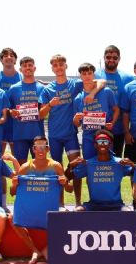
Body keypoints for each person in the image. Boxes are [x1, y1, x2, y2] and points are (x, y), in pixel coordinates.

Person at [39, 54, 105, 209]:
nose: (59, 67)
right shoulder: (48, 89)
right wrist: (50, 105)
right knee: (57, 170)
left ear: (66, 66)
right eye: (55, 65)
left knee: (76, 168)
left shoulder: (75, 85)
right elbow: (41, 113)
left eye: (61, 64)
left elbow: (102, 81)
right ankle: (60, 203)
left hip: (70, 134)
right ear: (52, 68)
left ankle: (77, 202)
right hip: (54, 135)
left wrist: (93, 93)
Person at [10, 136, 66, 264]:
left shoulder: (56, 166)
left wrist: (64, 182)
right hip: (30, 209)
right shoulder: (25, 167)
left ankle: (47, 249)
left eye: (43, 147)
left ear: (48, 149)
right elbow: (12, 193)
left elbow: (69, 189)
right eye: (37, 147)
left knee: (66, 219)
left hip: (50, 208)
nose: (40, 150)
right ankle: (34, 250)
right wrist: (14, 184)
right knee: (12, 219)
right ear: (33, 149)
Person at [65, 129, 135, 211]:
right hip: (93, 204)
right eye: (99, 141)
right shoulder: (88, 164)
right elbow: (67, 177)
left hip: (116, 204)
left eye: (105, 141)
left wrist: (133, 165)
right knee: (77, 211)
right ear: (95, 145)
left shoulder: (119, 163)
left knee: (128, 211)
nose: (102, 144)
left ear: (110, 145)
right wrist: (70, 165)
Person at [73, 63, 119, 160]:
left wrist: (112, 123)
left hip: (105, 134)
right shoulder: (78, 99)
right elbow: (77, 124)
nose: (87, 76)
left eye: (89, 73)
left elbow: (116, 109)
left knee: (107, 164)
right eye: (84, 74)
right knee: (89, 164)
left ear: (94, 75)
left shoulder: (106, 92)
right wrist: (76, 119)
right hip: (88, 137)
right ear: (80, 76)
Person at [95, 45, 134, 156]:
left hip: (119, 127)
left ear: (119, 59)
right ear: (104, 58)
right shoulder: (95, 74)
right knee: (98, 160)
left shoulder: (128, 78)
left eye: (114, 57)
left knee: (116, 160)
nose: (111, 60)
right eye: (108, 57)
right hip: (98, 127)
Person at [6, 57, 46, 165]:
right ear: (20, 69)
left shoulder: (42, 88)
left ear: (34, 68)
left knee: (40, 166)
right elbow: (6, 108)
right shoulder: (13, 88)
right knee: (20, 167)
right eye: (24, 66)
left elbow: (44, 110)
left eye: (30, 65)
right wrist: (11, 112)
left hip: (38, 135)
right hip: (19, 135)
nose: (27, 68)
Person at [0, 48, 22, 154]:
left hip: (16, 121)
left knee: (17, 157)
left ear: (15, 60)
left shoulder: (21, 77)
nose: (9, 57)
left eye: (11, 55)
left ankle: (18, 171)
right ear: (1, 60)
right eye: (5, 55)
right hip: (0, 120)